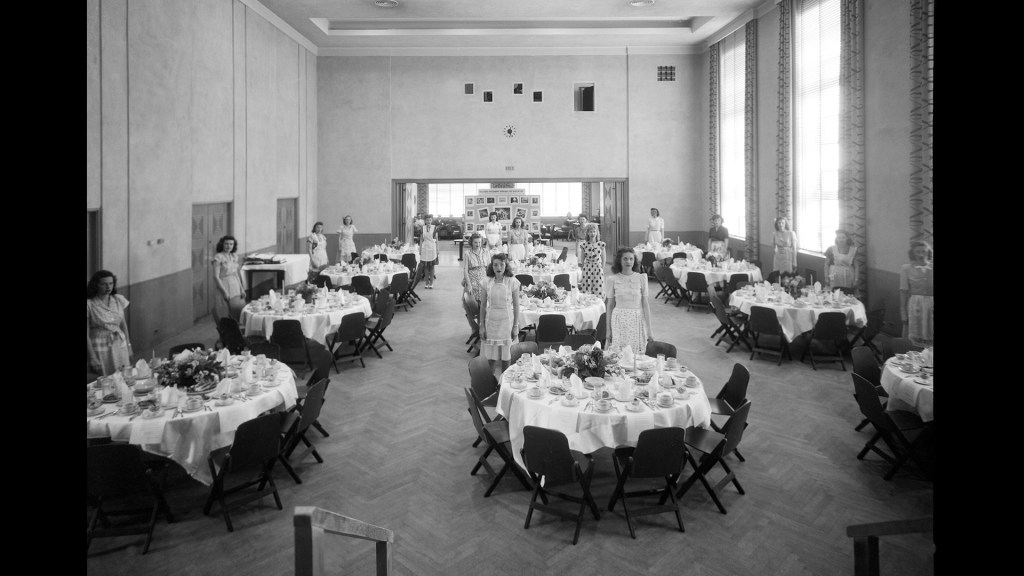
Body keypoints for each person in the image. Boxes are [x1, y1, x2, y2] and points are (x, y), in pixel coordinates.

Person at [604, 247, 654, 355]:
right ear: (620, 261)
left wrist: (649, 330)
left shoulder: (642, 278)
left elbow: (645, 305)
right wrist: (608, 330)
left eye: (631, 259)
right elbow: (610, 306)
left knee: (636, 357)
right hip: (618, 320)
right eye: (625, 259)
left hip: (636, 320)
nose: (628, 262)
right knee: (618, 355)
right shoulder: (612, 279)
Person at [479, 253, 521, 372]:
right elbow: (482, 305)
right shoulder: (486, 282)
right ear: (491, 266)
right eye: (495, 265)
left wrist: (515, 327)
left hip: (506, 324)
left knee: (506, 359)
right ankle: (491, 387)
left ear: (506, 265)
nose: (498, 268)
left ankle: (503, 385)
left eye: (501, 265)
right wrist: (481, 326)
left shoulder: (512, 282)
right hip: (491, 324)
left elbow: (517, 306)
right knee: (490, 359)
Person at [87, 270, 133, 376]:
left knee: (124, 376)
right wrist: (92, 357)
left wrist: (129, 346)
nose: (108, 287)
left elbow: (123, 325)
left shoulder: (118, 299)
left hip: (120, 344)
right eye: (104, 284)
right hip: (100, 347)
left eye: (111, 283)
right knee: (106, 380)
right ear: (96, 285)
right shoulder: (89, 304)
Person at [900, 240, 933, 346]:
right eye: (918, 252)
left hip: (931, 307)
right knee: (914, 339)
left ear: (928, 253)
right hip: (915, 306)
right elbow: (903, 292)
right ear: (913, 253)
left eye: (923, 251)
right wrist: (903, 312)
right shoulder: (906, 268)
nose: (921, 254)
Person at [212, 235, 246, 321]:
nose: (229, 246)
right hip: (224, 284)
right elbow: (216, 277)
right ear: (222, 245)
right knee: (226, 310)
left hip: (235, 285)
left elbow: (235, 274)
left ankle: (238, 328)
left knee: (237, 308)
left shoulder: (234, 256)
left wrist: (241, 289)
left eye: (231, 244)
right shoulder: (218, 257)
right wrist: (224, 292)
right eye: (226, 244)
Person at [577, 223, 606, 297]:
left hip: (597, 268)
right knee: (587, 287)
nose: (592, 233)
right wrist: (583, 269)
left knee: (598, 286)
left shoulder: (601, 244)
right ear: (587, 233)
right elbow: (582, 259)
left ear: (597, 233)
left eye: (594, 231)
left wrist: (602, 269)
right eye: (590, 232)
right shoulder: (584, 245)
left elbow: (604, 258)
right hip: (587, 268)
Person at [462, 233, 491, 303]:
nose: (478, 244)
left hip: (483, 279)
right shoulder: (467, 253)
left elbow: (489, 268)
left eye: (479, 242)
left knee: (483, 303)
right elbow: (465, 270)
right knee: (472, 303)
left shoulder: (486, 252)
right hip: (472, 280)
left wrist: (490, 282)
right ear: (471, 242)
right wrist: (469, 285)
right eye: (475, 242)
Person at [420, 214, 439, 289]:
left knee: (432, 266)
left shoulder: (435, 228)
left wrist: (438, 249)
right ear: (425, 221)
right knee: (425, 266)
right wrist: (420, 248)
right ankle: (426, 282)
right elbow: (421, 239)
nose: (428, 221)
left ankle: (431, 283)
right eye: (427, 220)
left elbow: (437, 239)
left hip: (432, 247)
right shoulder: (422, 228)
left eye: (430, 220)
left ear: (432, 220)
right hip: (425, 248)